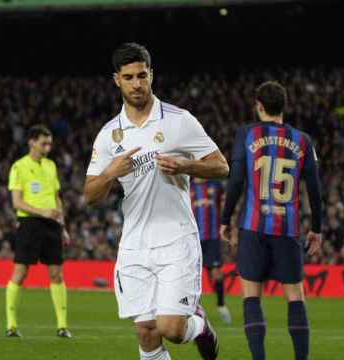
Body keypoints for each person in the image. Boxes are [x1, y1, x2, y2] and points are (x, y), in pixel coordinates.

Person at [84, 43, 229, 360]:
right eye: (129, 77)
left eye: (142, 75)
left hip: (176, 238)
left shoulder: (179, 121)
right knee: (146, 331)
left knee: (172, 329)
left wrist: (185, 165)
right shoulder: (109, 135)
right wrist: (110, 173)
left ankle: (199, 326)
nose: (137, 84)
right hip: (135, 243)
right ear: (116, 80)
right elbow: (90, 194)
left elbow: (221, 166)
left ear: (151, 75)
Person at [220, 81, 323, 360]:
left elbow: (236, 180)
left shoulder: (247, 134)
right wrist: (317, 229)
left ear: (259, 106)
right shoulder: (303, 141)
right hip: (288, 230)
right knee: (295, 297)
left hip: (253, 227)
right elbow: (314, 188)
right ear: (284, 107)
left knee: (251, 296)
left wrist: (224, 219)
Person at [5, 124, 72, 338]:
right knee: (20, 273)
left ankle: (62, 326)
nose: (48, 147)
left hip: (52, 225)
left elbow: (56, 198)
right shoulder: (19, 167)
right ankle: (11, 325)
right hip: (29, 224)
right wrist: (42, 212)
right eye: (44, 143)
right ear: (31, 142)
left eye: (50, 143)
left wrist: (63, 227)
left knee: (56, 274)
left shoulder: (51, 166)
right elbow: (17, 202)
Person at [190, 178, 232, 324]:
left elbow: (226, 205)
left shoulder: (215, 184)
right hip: (193, 238)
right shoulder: (189, 186)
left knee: (216, 273)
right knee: (193, 275)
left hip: (212, 236)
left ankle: (221, 305)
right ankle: (193, 308)